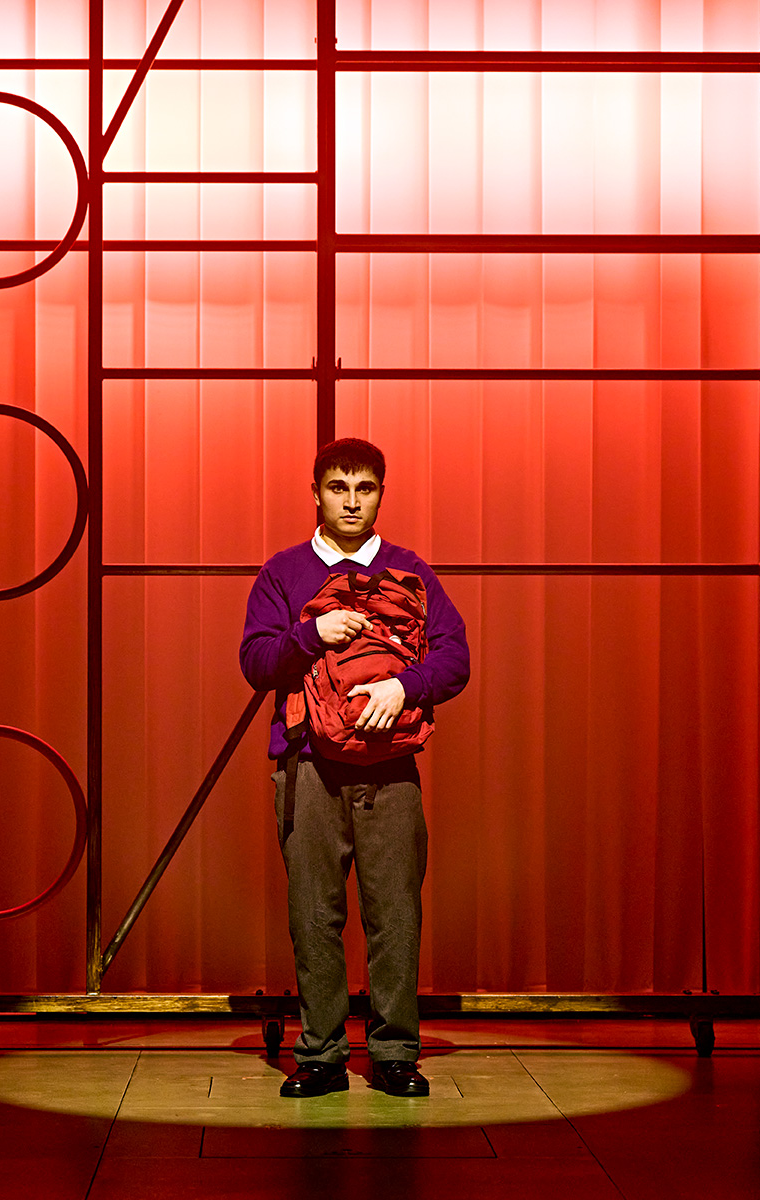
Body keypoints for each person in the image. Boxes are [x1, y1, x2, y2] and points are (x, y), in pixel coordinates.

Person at [239, 438, 470, 1097]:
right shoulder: (283, 573)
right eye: (337, 487)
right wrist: (314, 633)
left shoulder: (411, 571)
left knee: (394, 911)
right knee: (314, 911)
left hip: (391, 764)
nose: (350, 500)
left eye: (363, 488)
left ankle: (395, 1053)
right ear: (315, 492)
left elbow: (457, 659)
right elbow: (255, 664)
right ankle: (321, 1055)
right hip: (308, 763)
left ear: (380, 494)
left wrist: (407, 686)